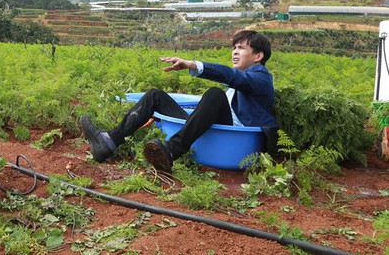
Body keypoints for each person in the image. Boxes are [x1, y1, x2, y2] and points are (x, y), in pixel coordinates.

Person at [80, 30, 275, 172]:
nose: (235, 52)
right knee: (155, 96)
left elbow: (233, 77)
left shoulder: (260, 76)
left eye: (241, 48)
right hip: (217, 125)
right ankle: (109, 142)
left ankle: (172, 151)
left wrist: (193, 65)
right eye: (234, 48)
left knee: (215, 94)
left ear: (258, 56)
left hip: (234, 137)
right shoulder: (239, 82)